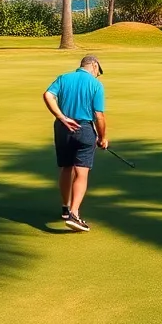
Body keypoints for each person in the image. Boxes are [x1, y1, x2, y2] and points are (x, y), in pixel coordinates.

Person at [43, 54, 107, 233]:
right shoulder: (95, 85)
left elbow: (47, 95)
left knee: (66, 167)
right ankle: (74, 213)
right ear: (94, 66)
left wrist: (61, 117)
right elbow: (99, 116)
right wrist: (103, 137)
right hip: (84, 129)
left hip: (62, 128)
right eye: (98, 72)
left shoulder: (64, 78)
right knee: (81, 172)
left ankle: (65, 207)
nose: (97, 75)